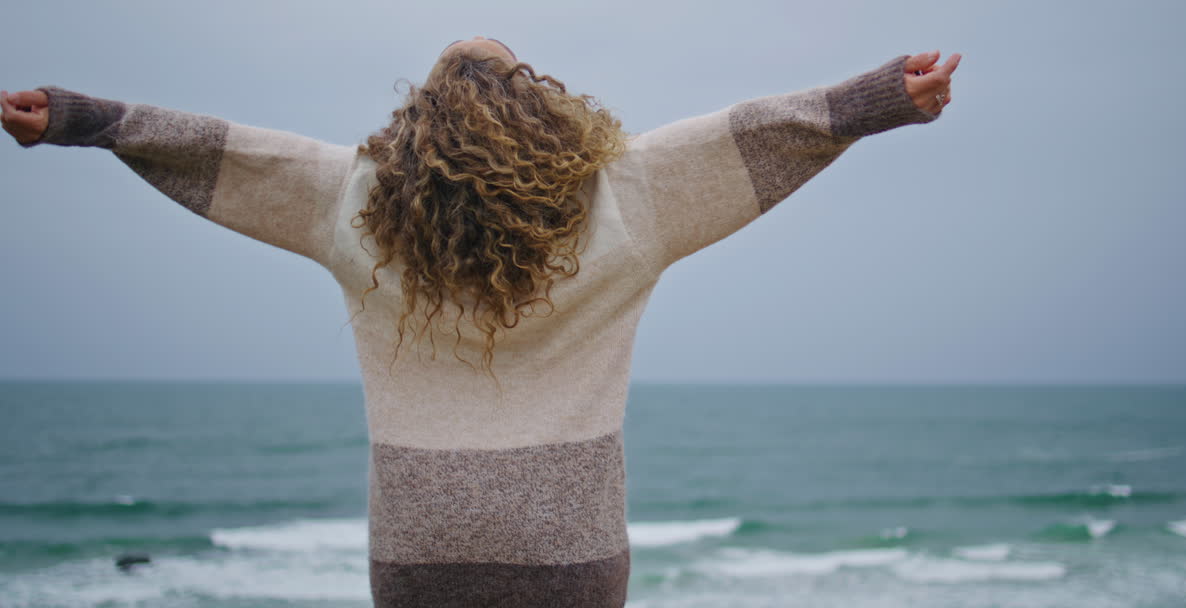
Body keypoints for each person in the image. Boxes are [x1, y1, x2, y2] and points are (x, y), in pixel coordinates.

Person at [1, 37, 960, 607]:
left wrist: (83, 119)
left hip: (419, 555)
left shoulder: (352, 203)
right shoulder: (625, 201)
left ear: (415, 124)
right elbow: (749, 137)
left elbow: (228, 156)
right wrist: (879, 101)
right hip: (571, 555)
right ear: (543, 114)